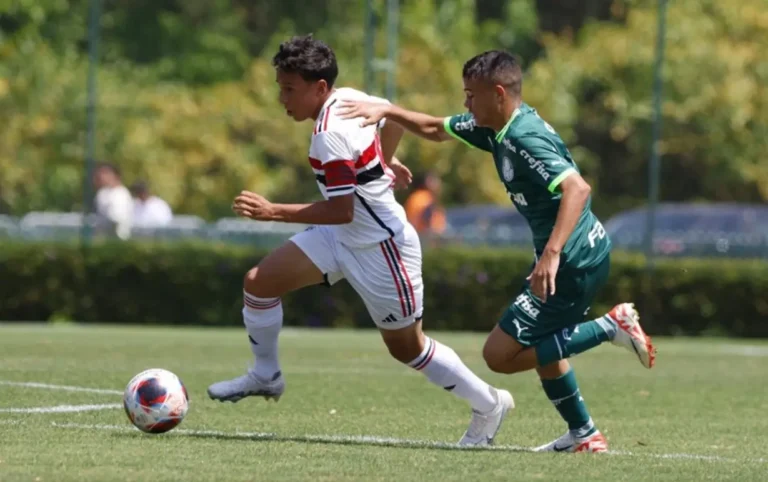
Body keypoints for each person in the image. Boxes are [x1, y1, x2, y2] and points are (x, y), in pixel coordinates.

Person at [337, 50, 656, 453]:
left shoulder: (523, 137)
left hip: (572, 261)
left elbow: (578, 188)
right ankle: (585, 435)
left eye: (472, 95)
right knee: (544, 344)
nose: (466, 103)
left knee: (500, 355)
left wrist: (552, 254)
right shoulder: (496, 128)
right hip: (579, 255)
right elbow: (435, 129)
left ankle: (611, 326)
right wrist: (387, 110)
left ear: (499, 93)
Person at [206, 35, 513, 447]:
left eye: (289, 89)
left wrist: (271, 210)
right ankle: (266, 374)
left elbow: (341, 210)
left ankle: (489, 403)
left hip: (381, 250)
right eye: (280, 87)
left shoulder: (328, 133)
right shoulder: (347, 98)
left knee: (408, 349)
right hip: (341, 237)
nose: (282, 98)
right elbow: (389, 120)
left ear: (319, 88)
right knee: (259, 282)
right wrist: (384, 161)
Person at [92, 162, 133, 240]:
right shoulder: (102, 193)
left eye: (105, 173)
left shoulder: (121, 194)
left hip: (119, 240)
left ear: (115, 175)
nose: (101, 176)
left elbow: (115, 219)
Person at [404, 171, 446, 237]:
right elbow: (426, 216)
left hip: (414, 234)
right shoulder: (426, 198)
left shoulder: (415, 196)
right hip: (426, 237)